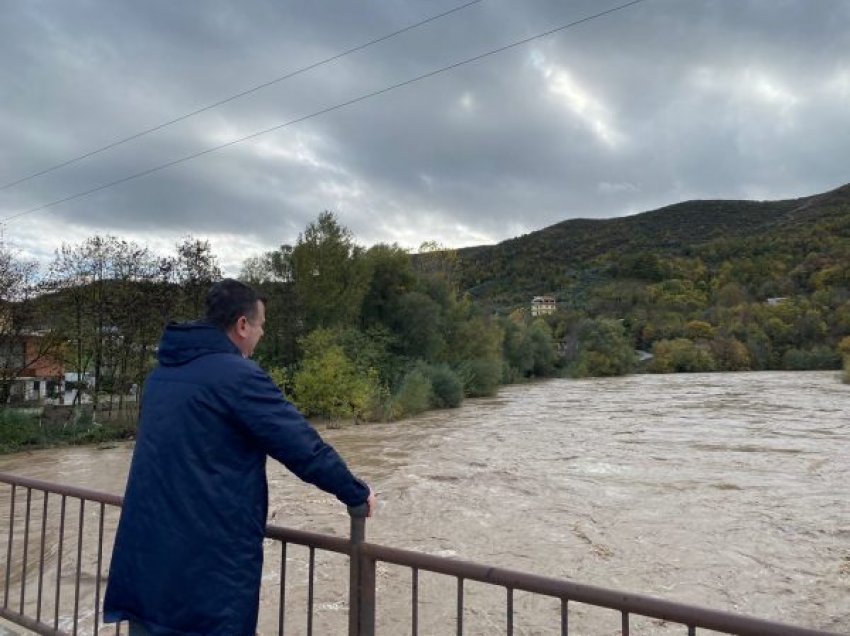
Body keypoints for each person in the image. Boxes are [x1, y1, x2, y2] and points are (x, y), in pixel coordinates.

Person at [103, 279, 375, 635]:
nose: (261, 335)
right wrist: (355, 493)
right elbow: (300, 445)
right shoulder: (237, 377)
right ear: (242, 326)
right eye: (261, 326)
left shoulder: (163, 374)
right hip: (206, 568)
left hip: (148, 557)